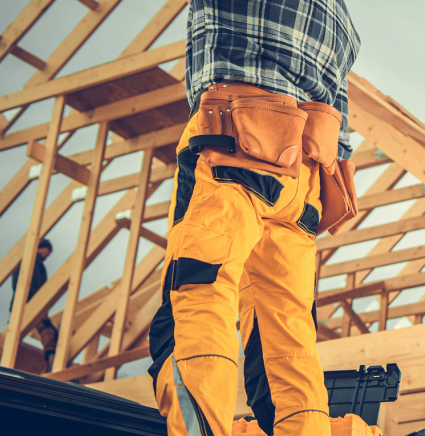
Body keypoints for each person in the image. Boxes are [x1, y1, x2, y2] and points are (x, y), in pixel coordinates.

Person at [147, 2, 360, 436]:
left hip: (238, 137)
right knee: (288, 333)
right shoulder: (340, 18)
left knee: (200, 288)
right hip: (306, 177)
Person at [10, 238, 58, 368]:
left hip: (25, 303)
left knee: (14, 332)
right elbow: (34, 284)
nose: (47, 254)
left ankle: (51, 360)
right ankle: (51, 362)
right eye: (47, 251)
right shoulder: (33, 261)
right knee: (48, 330)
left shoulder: (32, 262)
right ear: (39, 248)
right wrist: (35, 300)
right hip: (30, 303)